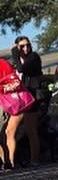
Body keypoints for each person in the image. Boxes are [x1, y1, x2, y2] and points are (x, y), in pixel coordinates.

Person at [5, 37, 42, 167]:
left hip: (31, 98)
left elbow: (22, 69)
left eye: (28, 45)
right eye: (22, 46)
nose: (25, 48)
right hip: (19, 100)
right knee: (10, 131)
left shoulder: (33, 57)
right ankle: (10, 161)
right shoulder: (15, 62)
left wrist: (15, 53)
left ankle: (35, 160)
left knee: (31, 130)